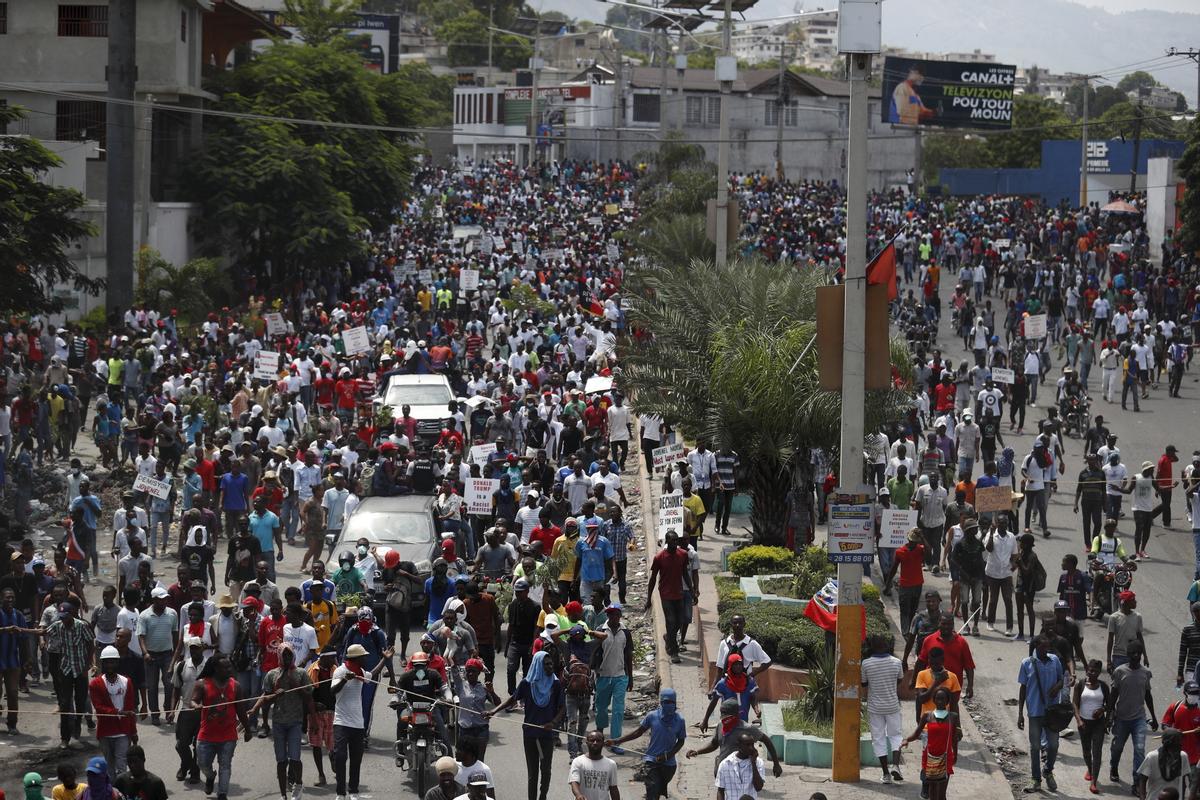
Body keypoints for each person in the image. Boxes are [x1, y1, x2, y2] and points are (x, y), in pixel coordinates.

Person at [486, 649, 564, 800]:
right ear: (538, 665)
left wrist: (553, 722)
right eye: (546, 664)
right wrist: (494, 711)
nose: (550, 667)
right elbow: (512, 699)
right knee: (532, 773)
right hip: (530, 734)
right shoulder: (527, 684)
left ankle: (543, 796)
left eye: (551, 664)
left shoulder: (555, 683)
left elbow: (562, 707)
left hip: (547, 734)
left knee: (546, 770)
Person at [331, 641, 394, 800]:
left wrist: (385, 659)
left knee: (356, 757)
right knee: (340, 756)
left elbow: (372, 674)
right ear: (356, 658)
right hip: (341, 721)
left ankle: (353, 791)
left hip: (358, 723)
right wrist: (345, 679)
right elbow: (333, 690)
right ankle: (340, 792)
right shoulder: (340, 671)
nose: (366, 658)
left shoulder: (360, 672)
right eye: (363, 657)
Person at [253, 642, 315, 800]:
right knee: (281, 761)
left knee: (295, 758)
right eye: (284, 655)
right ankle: (282, 794)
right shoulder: (272, 674)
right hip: (279, 722)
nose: (287, 658)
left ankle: (298, 784)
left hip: (295, 721)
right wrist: (259, 714)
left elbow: (309, 697)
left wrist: (312, 720)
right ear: (279, 656)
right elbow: (265, 697)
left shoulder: (301, 673)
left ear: (293, 655)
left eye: (289, 655)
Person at [607, 688, 687, 800]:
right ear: (661, 702)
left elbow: (681, 741)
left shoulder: (680, 720)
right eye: (666, 702)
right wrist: (617, 741)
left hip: (669, 765)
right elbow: (638, 732)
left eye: (671, 702)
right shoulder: (652, 716)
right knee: (652, 790)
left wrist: (667, 755)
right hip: (651, 761)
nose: (669, 705)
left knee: (658, 791)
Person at [191, 654, 252, 800]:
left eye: (229, 666)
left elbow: (241, 710)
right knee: (202, 764)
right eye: (225, 667)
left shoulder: (235, 686)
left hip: (228, 735)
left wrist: (248, 729)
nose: (229, 669)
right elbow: (193, 701)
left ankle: (222, 794)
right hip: (206, 735)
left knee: (225, 765)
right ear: (216, 669)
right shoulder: (202, 684)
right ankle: (210, 776)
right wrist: (196, 706)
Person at [1017, 634, 1066, 793]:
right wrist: (1020, 713)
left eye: (1048, 647)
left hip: (1052, 712)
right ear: (1036, 647)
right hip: (1035, 712)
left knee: (1053, 745)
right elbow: (1023, 688)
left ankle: (1048, 770)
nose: (1046, 650)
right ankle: (1036, 779)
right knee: (1035, 747)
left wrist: (1057, 687)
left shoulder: (1055, 661)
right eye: (1043, 647)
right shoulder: (1026, 664)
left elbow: (1061, 679)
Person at [1110, 643, 1158, 785]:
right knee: (1117, 747)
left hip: (1139, 719)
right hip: (1122, 718)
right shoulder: (1120, 671)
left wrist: (1154, 717)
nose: (1136, 656)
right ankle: (1113, 767)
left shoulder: (1145, 673)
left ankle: (1137, 782)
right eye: (1133, 653)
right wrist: (1109, 716)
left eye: (1138, 653)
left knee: (1139, 749)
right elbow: (1114, 694)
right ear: (1128, 655)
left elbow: (1148, 695)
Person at [900, 686, 960, 800]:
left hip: (946, 757)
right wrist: (907, 740)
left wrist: (955, 754)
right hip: (930, 756)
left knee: (942, 794)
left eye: (943, 699)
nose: (940, 701)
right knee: (932, 791)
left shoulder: (953, 717)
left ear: (947, 701)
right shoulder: (927, 715)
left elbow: (954, 738)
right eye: (938, 698)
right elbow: (917, 733)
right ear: (934, 700)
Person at [861, 633, 905, 783]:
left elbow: (864, 683)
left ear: (872, 647)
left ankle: (886, 774)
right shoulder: (896, 662)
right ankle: (896, 766)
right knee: (896, 736)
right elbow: (899, 679)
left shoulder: (866, 664)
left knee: (878, 739)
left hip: (875, 708)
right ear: (886, 646)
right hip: (892, 705)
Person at [88, 645, 137, 778]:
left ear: (117, 662)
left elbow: (130, 709)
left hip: (123, 732)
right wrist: (119, 713)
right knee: (109, 767)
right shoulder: (95, 684)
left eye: (113, 661)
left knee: (122, 766)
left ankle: (123, 794)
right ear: (103, 663)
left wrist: (133, 731)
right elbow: (99, 708)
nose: (110, 665)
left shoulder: (127, 682)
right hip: (105, 731)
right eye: (107, 661)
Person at [645, 530, 691, 664]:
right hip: (665, 594)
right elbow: (653, 579)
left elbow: (685, 574)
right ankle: (674, 651)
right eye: (673, 540)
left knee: (680, 621)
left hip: (679, 593)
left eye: (677, 540)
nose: (675, 543)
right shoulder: (659, 557)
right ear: (667, 541)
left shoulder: (683, 555)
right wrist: (649, 599)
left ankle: (668, 637)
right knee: (670, 621)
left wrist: (692, 590)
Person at [592, 601, 633, 747]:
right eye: (610, 614)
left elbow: (628, 655)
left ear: (620, 615)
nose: (613, 617)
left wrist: (631, 678)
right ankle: (600, 734)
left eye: (616, 614)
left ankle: (615, 741)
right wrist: (593, 672)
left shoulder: (625, 632)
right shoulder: (600, 630)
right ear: (607, 615)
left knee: (618, 710)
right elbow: (594, 652)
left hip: (620, 676)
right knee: (601, 708)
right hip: (603, 676)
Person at [1072, 658, 1111, 795]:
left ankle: (1093, 781)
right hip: (1084, 723)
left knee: (1097, 752)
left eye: (1094, 671)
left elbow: (1110, 705)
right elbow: (1075, 704)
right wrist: (1079, 721)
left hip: (1098, 724)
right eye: (1089, 670)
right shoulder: (1080, 684)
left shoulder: (1104, 687)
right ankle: (1090, 768)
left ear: (1100, 672)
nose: (1091, 673)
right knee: (1086, 752)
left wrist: (1102, 710)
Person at [885, 529, 926, 635]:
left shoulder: (920, 549)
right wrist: (888, 583)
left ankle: (911, 631)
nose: (913, 543)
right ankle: (905, 632)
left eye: (915, 541)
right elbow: (894, 568)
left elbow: (930, 553)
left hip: (917, 585)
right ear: (908, 539)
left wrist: (923, 538)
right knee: (904, 610)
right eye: (912, 541)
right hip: (905, 586)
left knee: (913, 609)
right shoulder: (900, 552)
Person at [569, 729, 620, 800]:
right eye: (592, 740)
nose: (595, 743)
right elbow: (574, 782)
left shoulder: (611, 764)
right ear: (587, 742)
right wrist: (578, 795)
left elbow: (613, 788)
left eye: (598, 741)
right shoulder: (578, 761)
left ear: (603, 743)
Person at [715, 732, 767, 800]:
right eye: (747, 745)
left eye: (752, 744)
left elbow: (758, 787)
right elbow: (720, 790)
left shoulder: (758, 762)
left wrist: (753, 763)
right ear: (738, 746)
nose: (751, 748)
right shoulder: (725, 764)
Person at [1137, 728, 1185, 800]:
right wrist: (1142, 798)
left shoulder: (1183, 756)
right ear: (1169, 743)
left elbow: (1183, 781)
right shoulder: (1152, 756)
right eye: (1177, 742)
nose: (1180, 744)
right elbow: (1142, 779)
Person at [1108, 590, 1147, 672]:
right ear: (1125, 602)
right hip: (1118, 656)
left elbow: (1140, 638)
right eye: (1133, 600)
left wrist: (1145, 656)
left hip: (1134, 656)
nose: (1135, 602)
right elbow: (1110, 639)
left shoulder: (1137, 617)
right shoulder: (1114, 618)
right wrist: (1108, 660)